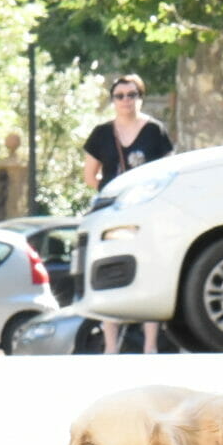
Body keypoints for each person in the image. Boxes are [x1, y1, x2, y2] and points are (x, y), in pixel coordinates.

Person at [83, 73, 175, 354]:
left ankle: (150, 345)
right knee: (109, 271)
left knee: (149, 269)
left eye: (131, 94)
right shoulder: (101, 134)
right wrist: (113, 193)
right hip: (113, 214)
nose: (126, 101)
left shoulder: (155, 132)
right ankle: (110, 346)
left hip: (147, 213)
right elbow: (89, 176)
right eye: (120, 96)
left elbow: (168, 171)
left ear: (140, 97)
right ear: (112, 100)